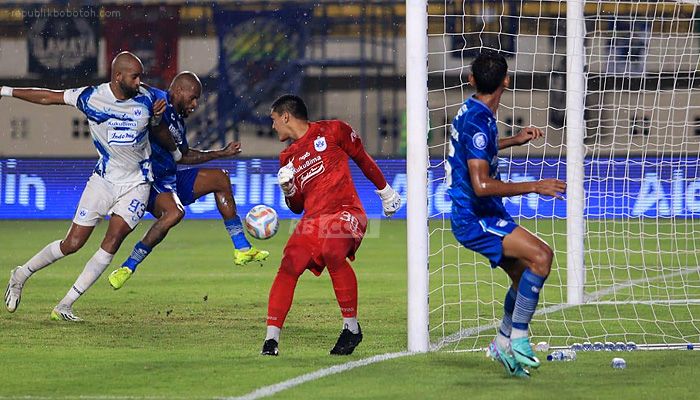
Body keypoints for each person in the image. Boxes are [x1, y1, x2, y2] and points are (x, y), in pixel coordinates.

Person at [2, 52, 173, 321]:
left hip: (137, 183)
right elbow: (49, 96)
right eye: (135, 76)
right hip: (103, 181)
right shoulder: (92, 97)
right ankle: (21, 274)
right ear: (118, 76)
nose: (140, 81)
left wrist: (160, 128)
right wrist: (6, 90)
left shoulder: (148, 98)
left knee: (112, 241)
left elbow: (158, 127)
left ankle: (65, 305)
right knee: (73, 243)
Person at [447, 50, 566, 377]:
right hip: (475, 216)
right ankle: (518, 338)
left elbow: (478, 148)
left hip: (480, 212)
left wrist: (515, 139)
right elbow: (482, 184)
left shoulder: (473, 111)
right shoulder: (478, 120)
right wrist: (535, 186)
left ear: (471, 80)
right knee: (542, 257)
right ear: (506, 81)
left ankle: (502, 341)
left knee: (522, 274)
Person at [260, 94, 402, 357]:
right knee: (290, 262)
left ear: (286, 116)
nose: (273, 126)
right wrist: (289, 189)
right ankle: (271, 340)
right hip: (313, 220)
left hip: (346, 211)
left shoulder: (333, 130)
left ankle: (351, 328)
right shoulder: (287, 158)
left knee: (332, 248)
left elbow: (361, 157)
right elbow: (297, 207)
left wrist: (385, 191)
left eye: (274, 120)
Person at [107, 72, 269, 290]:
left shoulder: (179, 125)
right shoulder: (156, 97)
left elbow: (183, 156)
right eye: (193, 98)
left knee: (220, 178)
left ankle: (242, 248)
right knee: (175, 212)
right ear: (178, 90)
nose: (195, 104)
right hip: (147, 180)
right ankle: (128, 266)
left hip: (169, 179)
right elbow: (133, 85)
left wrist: (221, 153)